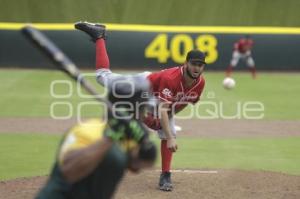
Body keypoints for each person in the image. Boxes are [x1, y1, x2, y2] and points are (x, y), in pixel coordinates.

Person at [75, 21, 206, 191]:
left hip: (158, 100)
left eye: (200, 65)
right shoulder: (171, 78)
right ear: (186, 63)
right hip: (143, 86)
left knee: (167, 128)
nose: (197, 68)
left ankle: (166, 175)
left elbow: (184, 102)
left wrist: (169, 117)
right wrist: (164, 128)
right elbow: (163, 108)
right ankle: (99, 36)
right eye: (194, 63)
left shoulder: (200, 83)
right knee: (102, 77)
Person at [35, 76, 157, 199]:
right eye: (143, 108)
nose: (145, 113)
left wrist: (146, 145)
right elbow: (68, 171)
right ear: (133, 109)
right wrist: (111, 136)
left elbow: (137, 166)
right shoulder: (87, 131)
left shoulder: (126, 137)